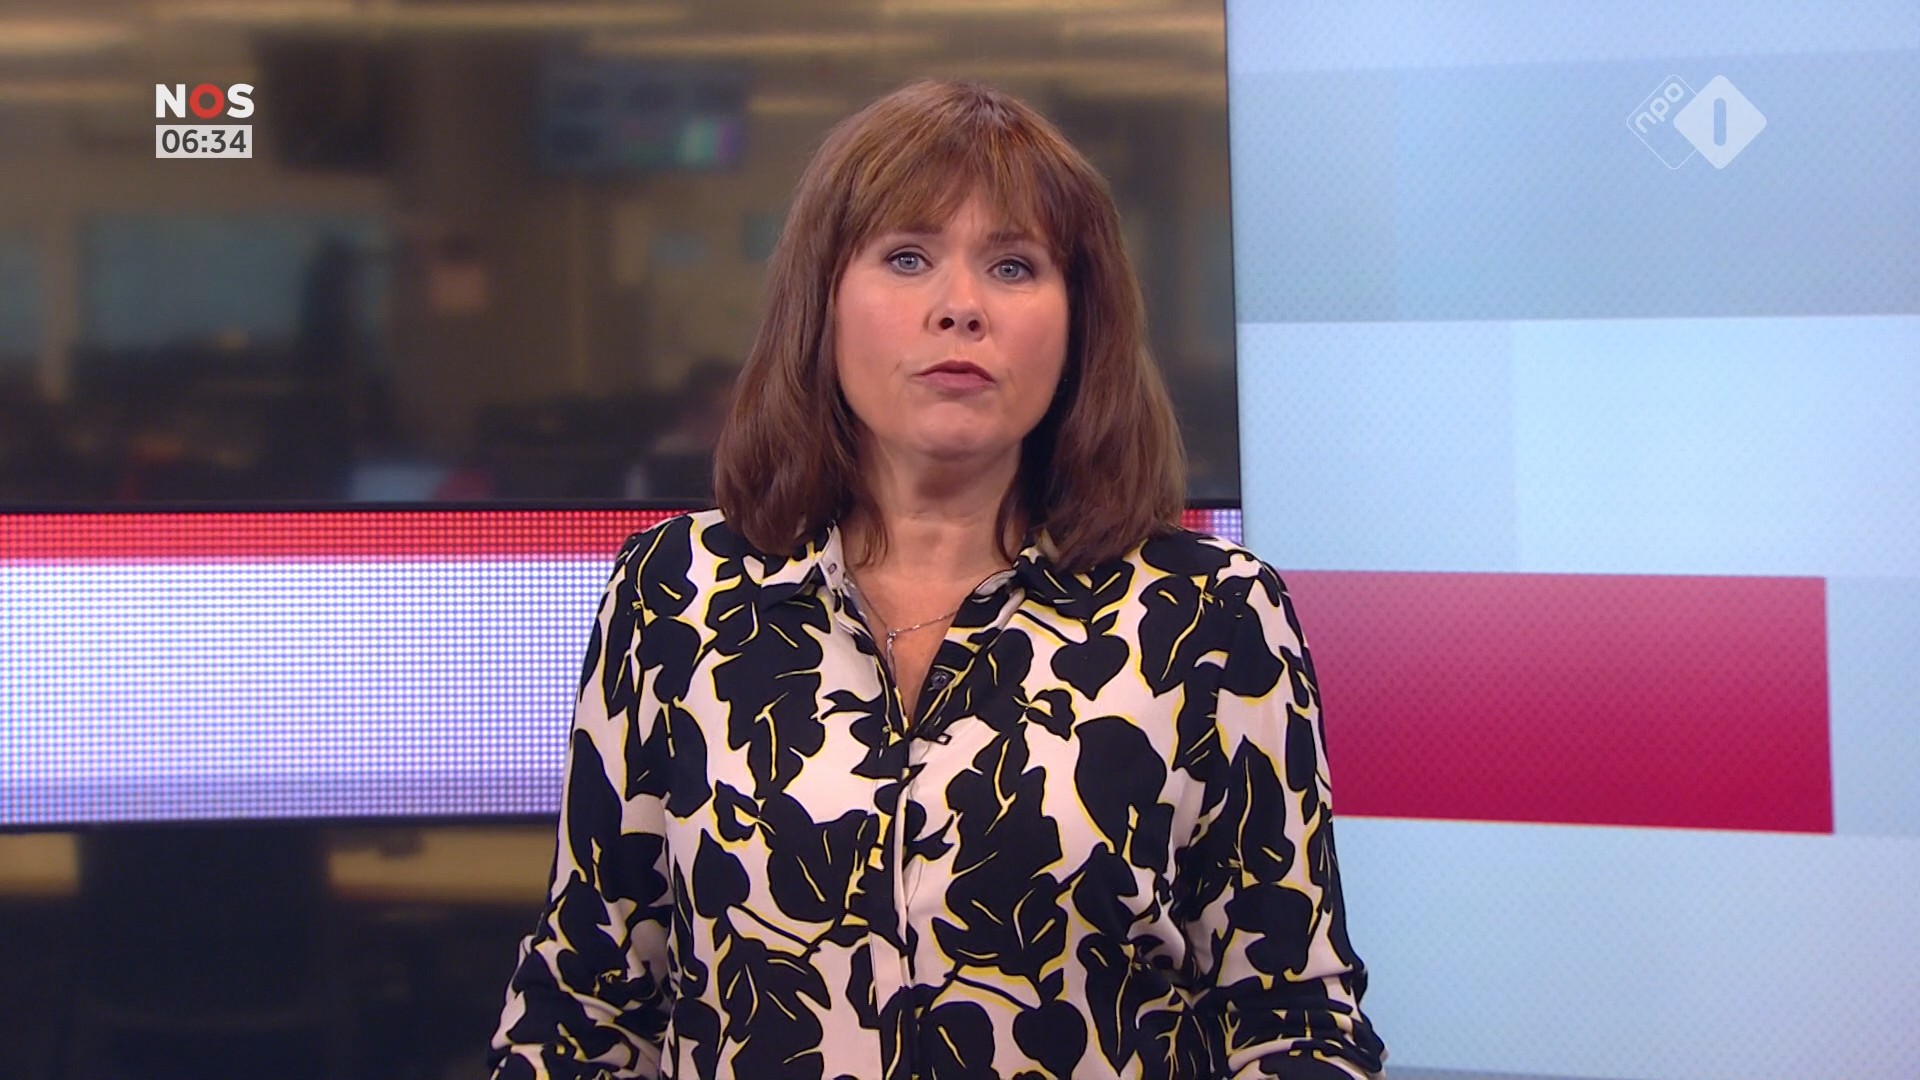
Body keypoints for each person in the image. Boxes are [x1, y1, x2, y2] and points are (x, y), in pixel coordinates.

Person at [489, 79, 1385, 1079]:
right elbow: (584, 1005)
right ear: (823, 301)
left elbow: (1294, 1019)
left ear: (1079, 322)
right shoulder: (676, 594)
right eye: (907, 257)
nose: (960, 307)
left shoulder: (1212, 617)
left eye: (1013, 266)